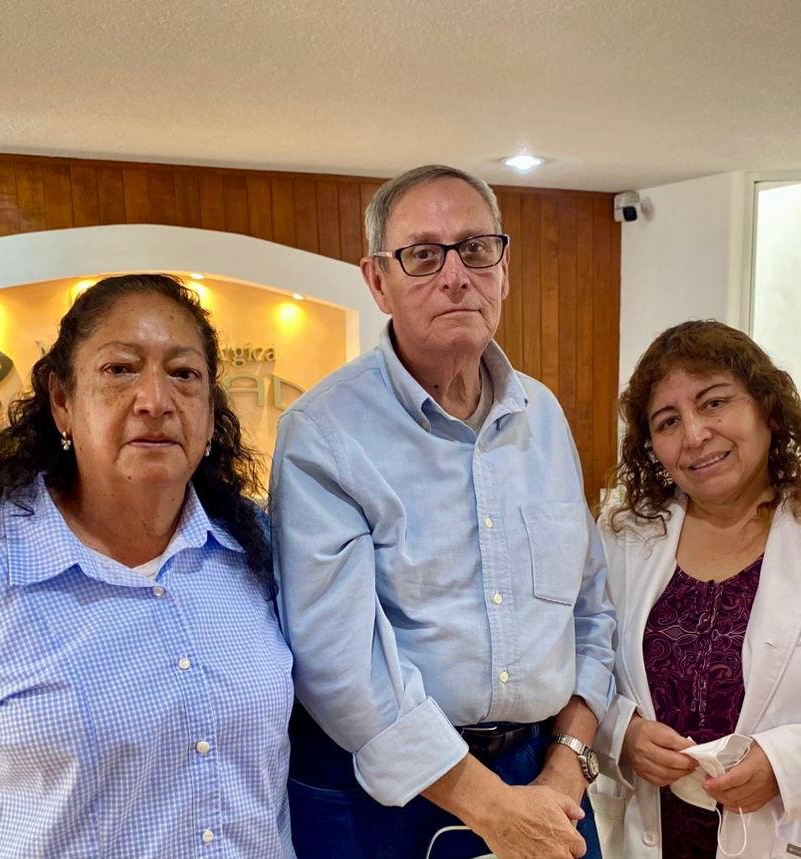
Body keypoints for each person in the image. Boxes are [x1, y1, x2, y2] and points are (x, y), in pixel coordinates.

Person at [0, 274, 294, 858]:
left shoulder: (256, 549)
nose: (156, 401)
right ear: (62, 402)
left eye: (184, 374)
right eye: (120, 370)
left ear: (209, 413)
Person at [270, 164, 616, 859]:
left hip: (545, 776)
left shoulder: (543, 416)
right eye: (424, 255)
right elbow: (339, 665)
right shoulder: (325, 431)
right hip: (385, 795)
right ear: (378, 281)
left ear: (504, 269)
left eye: (477, 249)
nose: (456, 276)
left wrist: (565, 770)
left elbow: (590, 613)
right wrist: (494, 809)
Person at [592, 320, 801, 859]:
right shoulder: (624, 537)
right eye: (668, 421)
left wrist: (785, 763)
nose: (694, 435)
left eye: (714, 403)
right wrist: (624, 735)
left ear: (767, 408)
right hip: (649, 830)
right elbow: (582, 661)